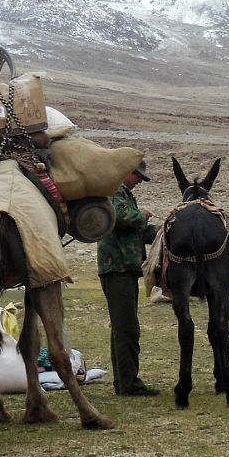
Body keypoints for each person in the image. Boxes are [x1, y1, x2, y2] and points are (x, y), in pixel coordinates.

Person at [97, 160, 159, 396]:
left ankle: (123, 382)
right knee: (127, 328)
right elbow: (123, 218)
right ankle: (129, 384)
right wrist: (142, 215)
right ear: (127, 172)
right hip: (117, 268)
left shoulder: (122, 193)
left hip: (124, 269)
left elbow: (134, 230)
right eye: (138, 176)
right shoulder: (115, 192)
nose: (140, 181)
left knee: (122, 327)